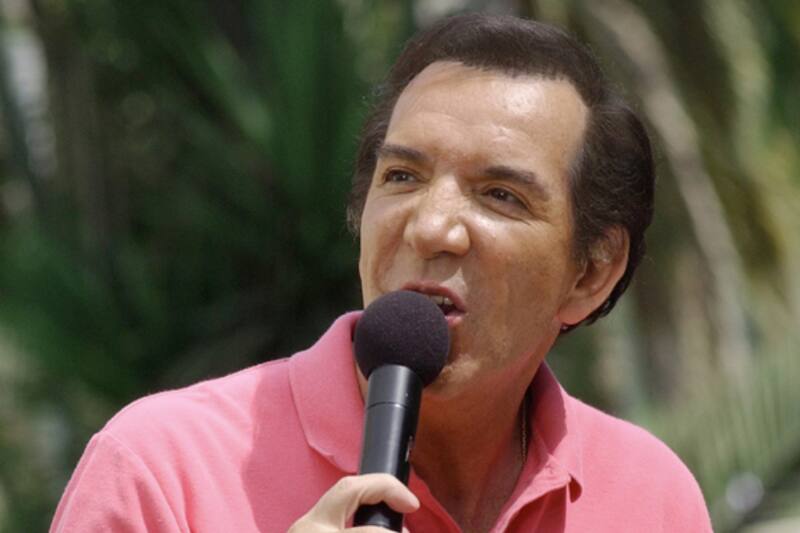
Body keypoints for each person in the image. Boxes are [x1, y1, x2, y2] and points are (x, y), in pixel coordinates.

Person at [51, 13, 713, 533]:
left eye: (500, 195)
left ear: (591, 273)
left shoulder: (652, 495)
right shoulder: (160, 471)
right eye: (402, 176)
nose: (431, 227)